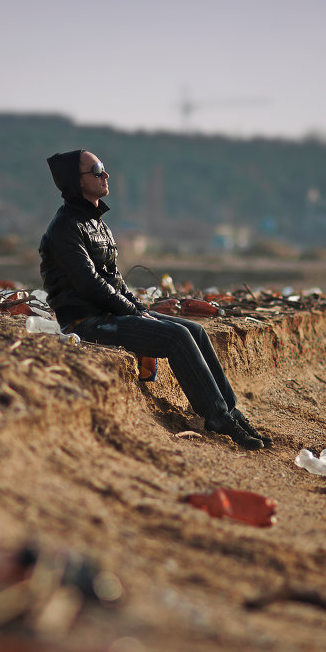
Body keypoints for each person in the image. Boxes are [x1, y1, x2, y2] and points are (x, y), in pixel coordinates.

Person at [38, 149, 270, 450]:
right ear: (75, 181)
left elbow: (114, 280)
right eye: (96, 170)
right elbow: (89, 284)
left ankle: (231, 411)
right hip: (86, 321)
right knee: (177, 337)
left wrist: (137, 308)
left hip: (111, 313)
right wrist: (133, 312)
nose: (105, 175)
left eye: (103, 168)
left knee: (195, 331)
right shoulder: (65, 228)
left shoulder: (98, 224)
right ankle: (218, 417)